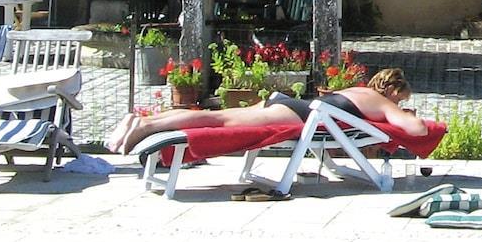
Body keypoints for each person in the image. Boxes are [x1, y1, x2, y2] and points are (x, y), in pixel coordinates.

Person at [105, 66, 430, 154]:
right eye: (401, 100)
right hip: (296, 114)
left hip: (288, 104)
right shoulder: (382, 101)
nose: (399, 105)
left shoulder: (357, 90)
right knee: (218, 120)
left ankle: (143, 119)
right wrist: (406, 116)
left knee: (219, 116)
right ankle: (147, 127)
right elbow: (418, 130)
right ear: (392, 90)